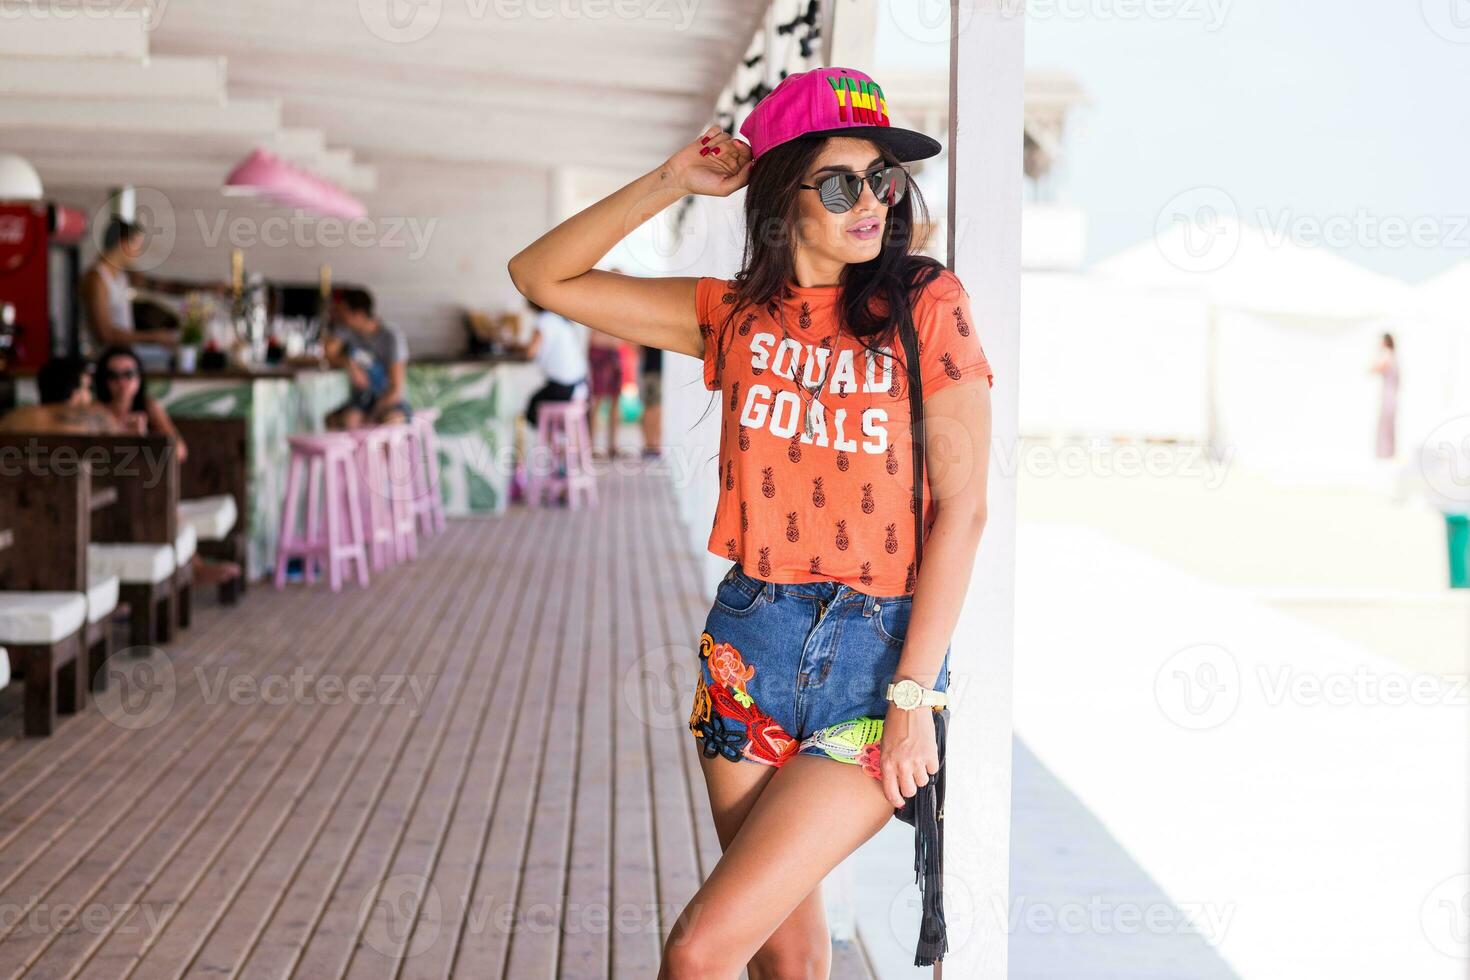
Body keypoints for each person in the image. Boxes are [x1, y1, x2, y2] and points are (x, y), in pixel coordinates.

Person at [507, 66, 994, 978]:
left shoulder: (926, 305)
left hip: (876, 662)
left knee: (698, 951)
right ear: (783, 195)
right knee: (791, 961)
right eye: (842, 182)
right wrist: (668, 181)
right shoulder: (730, 317)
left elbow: (963, 512)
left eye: (884, 179)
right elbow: (539, 275)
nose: (872, 202)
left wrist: (915, 696)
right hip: (748, 646)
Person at [91, 344, 242, 588]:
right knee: (163, 507)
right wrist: (123, 436)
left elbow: (179, 451)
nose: (122, 383)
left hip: (148, 491)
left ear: (139, 378)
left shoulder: (149, 408)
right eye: (113, 376)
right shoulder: (96, 413)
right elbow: (99, 462)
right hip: (109, 493)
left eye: (129, 374)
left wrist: (146, 440)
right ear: (103, 381)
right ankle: (195, 570)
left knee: (163, 505)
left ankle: (194, 569)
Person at [79, 218, 226, 366]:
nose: (138, 252)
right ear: (123, 244)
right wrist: (153, 337)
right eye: (137, 246)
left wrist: (207, 288)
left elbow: (167, 287)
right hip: (105, 364)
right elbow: (105, 334)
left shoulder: (123, 274)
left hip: (121, 358)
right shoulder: (96, 279)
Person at [323, 287, 412, 429]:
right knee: (343, 420)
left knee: (389, 422)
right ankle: (356, 450)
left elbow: (395, 390)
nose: (339, 315)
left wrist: (371, 416)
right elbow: (328, 352)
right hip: (362, 400)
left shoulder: (391, 337)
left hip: (391, 401)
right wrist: (349, 364)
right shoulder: (347, 330)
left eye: (343, 311)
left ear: (359, 314)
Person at [520, 299, 590, 427]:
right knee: (542, 396)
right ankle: (560, 436)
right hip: (580, 387)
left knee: (532, 407)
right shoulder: (560, 318)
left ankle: (552, 439)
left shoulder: (544, 320)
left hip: (564, 388)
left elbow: (531, 352)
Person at [0, 357, 113, 433]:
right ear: (75, 393)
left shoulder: (13, 419)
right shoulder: (93, 420)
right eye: (88, 387)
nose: (90, 395)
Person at [585, 271, 626, 459]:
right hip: (601, 355)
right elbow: (595, 337)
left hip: (612, 355)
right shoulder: (598, 302)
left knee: (616, 401)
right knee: (598, 400)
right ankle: (591, 447)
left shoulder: (621, 304)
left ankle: (612, 446)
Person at [1371, 332, 1399, 458]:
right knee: (1388, 423)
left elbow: (1374, 369)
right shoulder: (1393, 356)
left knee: (1385, 423)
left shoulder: (1387, 355)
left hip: (1388, 394)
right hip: (1391, 393)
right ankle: (1388, 452)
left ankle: (1385, 453)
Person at [638, 341, 663, 458]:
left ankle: (652, 444)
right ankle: (651, 444)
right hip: (652, 372)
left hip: (651, 371)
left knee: (652, 408)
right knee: (652, 408)